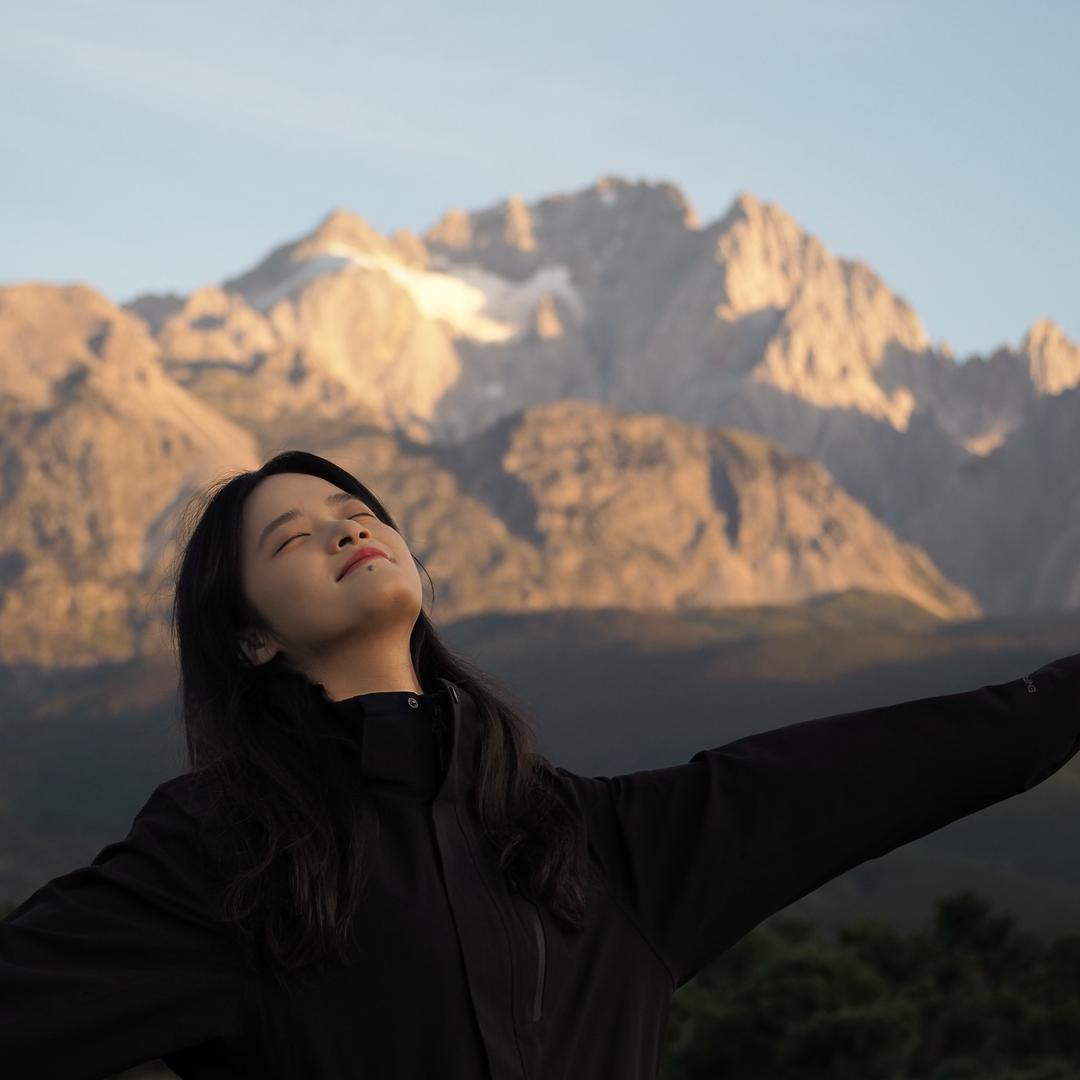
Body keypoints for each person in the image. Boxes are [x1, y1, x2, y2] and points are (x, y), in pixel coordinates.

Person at [2, 448, 1079, 1080]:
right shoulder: (225, 854)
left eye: (356, 513)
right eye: (293, 539)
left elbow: (908, 761)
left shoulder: (601, 844)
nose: (344, 531)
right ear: (252, 639)